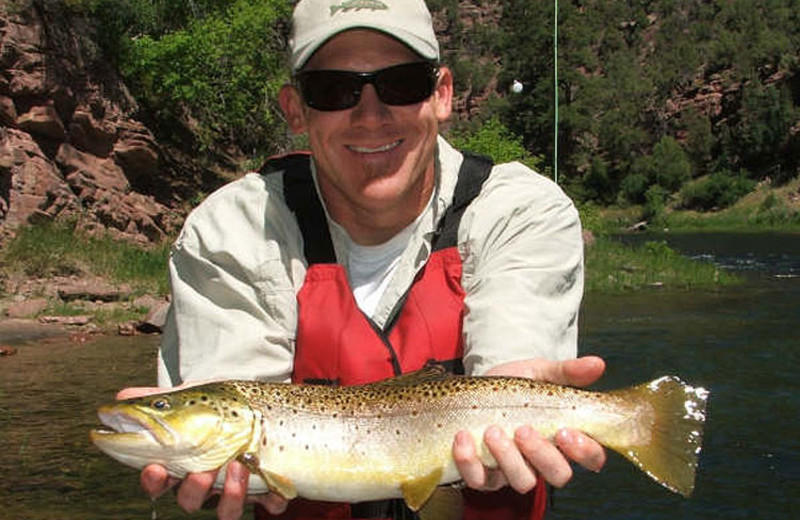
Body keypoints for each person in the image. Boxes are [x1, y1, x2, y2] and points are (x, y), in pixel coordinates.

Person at [118, 0, 608, 518]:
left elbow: (513, 362)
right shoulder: (232, 230)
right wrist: (192, 446)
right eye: (334, 90)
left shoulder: (523, 210)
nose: (371, 115)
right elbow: (230, 396)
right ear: (295, 109)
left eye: (401, 84)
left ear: (442, 94)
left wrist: (521, 408)